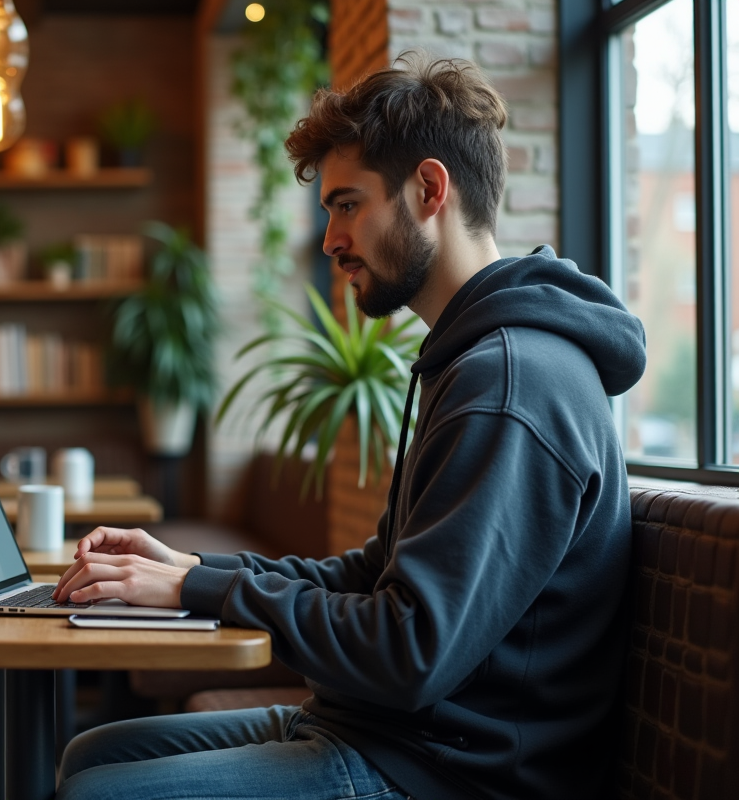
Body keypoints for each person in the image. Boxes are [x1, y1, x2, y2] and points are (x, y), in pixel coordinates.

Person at [51, 56, 647, 800]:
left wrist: (196, 590)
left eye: (347, 205)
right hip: (387, 732)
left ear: (429, 190)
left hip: (450, 772)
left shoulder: (511, 384)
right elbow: (376, 577)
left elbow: (411, 650)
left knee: (96, 793)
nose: (331, 240)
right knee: (92, 755)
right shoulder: (471, 360)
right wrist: (185, 570)